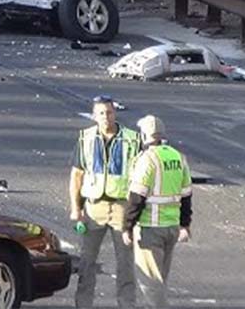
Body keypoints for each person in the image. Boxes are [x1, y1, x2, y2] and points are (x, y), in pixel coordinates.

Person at [70, 95, 142, 308]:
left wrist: (137, 214)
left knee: (126, 264)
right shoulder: (86, 138)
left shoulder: (132, 139)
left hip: (122, 208)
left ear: (115, 113)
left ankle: (127, 305)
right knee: (87, 263)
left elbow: (140, 179)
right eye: (101, 113)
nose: (106, 117)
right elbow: (77, 175)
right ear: (94, 116)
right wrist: (76, 208)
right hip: (94, 208)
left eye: (109, 112)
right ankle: (83, 305)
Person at [122, 116, 193, 308]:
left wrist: (126, 227)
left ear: (144, 135)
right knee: (160, 279)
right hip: (171, 227)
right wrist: (185, 224)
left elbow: (137, 197)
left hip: (149, 228)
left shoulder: (147, 159)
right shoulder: (177, 157)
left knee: (150, 283)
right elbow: (186, 194)